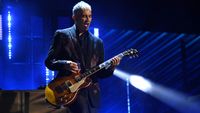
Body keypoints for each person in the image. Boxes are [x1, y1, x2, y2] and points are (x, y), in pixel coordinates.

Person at [45, 1, 121, 113]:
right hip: (69, 91)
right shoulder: (62, 35)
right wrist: (65, 64)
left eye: (90, 16)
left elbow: (99, 73)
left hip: (91, 95)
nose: (88, 20)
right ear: (74, 17)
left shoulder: (97, 42)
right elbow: (49, 62)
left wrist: (112, 68)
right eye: (84, 16)